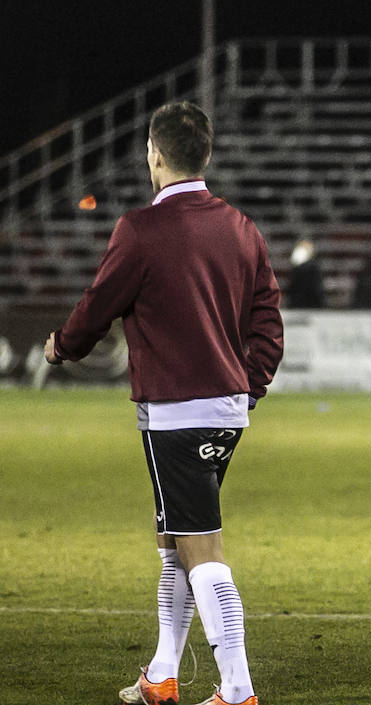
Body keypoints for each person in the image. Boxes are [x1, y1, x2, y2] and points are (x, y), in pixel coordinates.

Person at [44, 101, 283, 705]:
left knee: (200, 547)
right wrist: (246, 386)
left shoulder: (140, 230)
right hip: (225, 409)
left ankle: (237, 690)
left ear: (153, 153)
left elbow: (99, 305)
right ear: (205, 155)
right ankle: (162, 675)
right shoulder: (240, 227)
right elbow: (269, 320)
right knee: (174, 540)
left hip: (175, 413)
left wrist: (61, 349)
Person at [284, 238, 326, 309]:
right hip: (298, 304)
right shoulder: (296, 269)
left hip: (311, 304)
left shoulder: (314, 268)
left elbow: (316, 289)